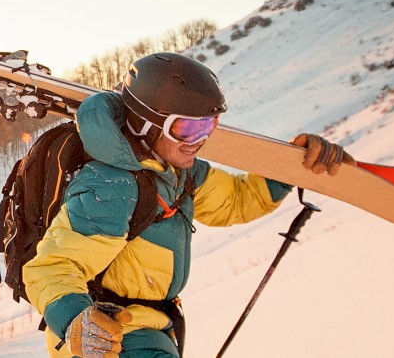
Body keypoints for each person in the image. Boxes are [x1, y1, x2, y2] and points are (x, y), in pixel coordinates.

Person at [22, 52, 353, 358]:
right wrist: (76, 321)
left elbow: (236, 201)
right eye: (188, 128)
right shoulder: (113, 187)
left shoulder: (180, 172)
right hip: (110, 338)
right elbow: (52, 267)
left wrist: (290, 169)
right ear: (145, 124)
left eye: (209, 126)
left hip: (150, 329)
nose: (201, 139)